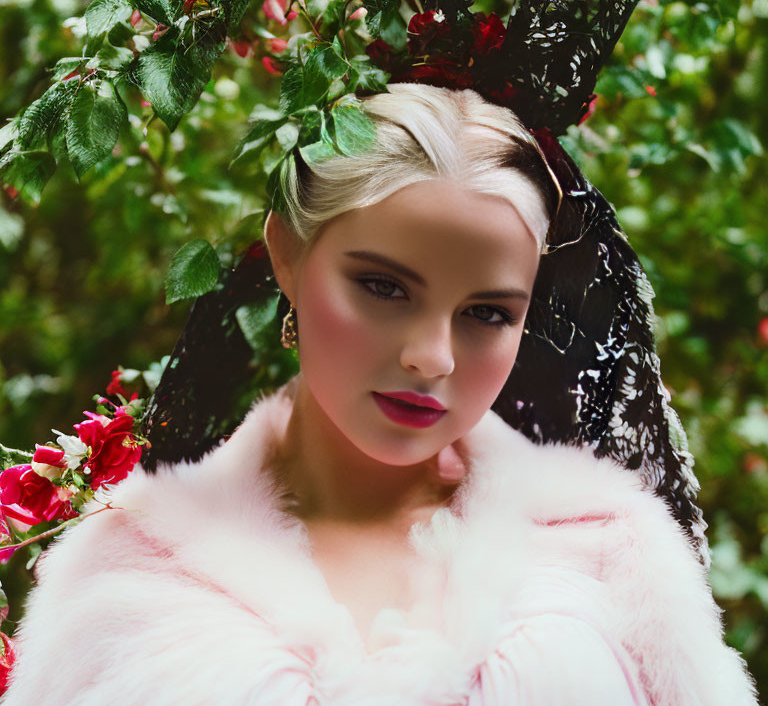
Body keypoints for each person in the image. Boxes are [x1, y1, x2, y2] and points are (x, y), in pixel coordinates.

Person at [3, 83, 759, 704]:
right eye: (383, 287)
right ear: (288, 257)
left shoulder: (612, 557)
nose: (431, 358)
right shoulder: (127, 573)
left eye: (488, 314)